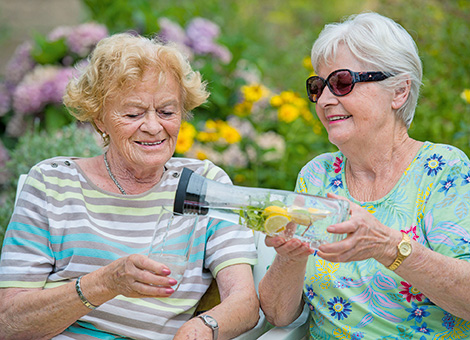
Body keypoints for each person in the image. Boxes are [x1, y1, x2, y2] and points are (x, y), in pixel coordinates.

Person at [0, 33, 259, 339]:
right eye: (133, 114)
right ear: (99, 118)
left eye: (167, 111)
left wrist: (200, 329)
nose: (153, 127)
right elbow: (9, 323)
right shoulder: (52, 183)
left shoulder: (205, 184)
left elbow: (243, 302)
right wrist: (105, 283)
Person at [259, 12, 470, 339]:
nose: (326, 100)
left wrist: (388, 247)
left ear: (399, 91)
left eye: (342, 83)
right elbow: (278, 314)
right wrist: (289, 257)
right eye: (318, 86)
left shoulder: (443, 170)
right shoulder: (317, 176)